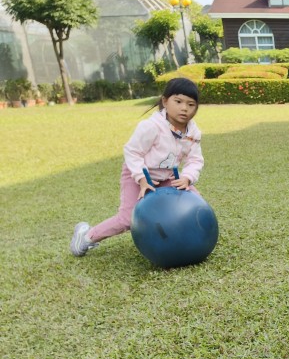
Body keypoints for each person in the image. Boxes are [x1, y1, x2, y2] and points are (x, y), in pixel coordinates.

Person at [70, 77, 205, 256]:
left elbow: (195, 160)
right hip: (138, 174)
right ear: (165, 101)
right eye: (178, 101)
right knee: (127, 219)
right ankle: (87, 236)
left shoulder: (193, 133)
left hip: (167, 177)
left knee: (195, 200)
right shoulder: (152, 126)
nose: (184, 108)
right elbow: (132, 152)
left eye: (191, 104)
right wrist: (142, 180)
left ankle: (185, 239)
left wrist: (187, 177)